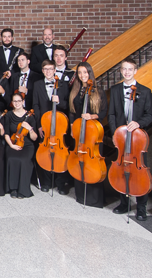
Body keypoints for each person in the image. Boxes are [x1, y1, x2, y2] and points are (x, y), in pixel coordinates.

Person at [109, 58, 152, 220]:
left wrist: (139, 123)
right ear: (121, 71)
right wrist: (116, 134)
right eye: (124, 69)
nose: (127, 72)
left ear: (135, 71)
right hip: (121, 140)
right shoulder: (115, 90)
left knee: (140, 174)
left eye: (130, 69)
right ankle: (123, 203)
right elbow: (112, 114)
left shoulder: (145, 91)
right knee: (122, 171)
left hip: (138, 142)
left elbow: (150, 116)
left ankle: (141, 207)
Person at [67, 62, 108, 208]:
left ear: (90, 73)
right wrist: (72, 126)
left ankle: (95, 199)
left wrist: (92, 116)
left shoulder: (99, 92)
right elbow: (72, 111)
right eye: (79, 73)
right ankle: (80, 195)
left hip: (93, 133)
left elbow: (103, 113)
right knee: (79, 161)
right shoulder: (75, 91)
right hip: (79, 132)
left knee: (93, 163)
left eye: (85, 72)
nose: (82, 75)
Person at [32, 60, 70, 193]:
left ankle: (60, 183)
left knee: (61, 154)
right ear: (42, 71)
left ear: (55, 70)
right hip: (44, 125)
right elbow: (35, 105)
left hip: (59, 125)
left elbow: (67, 106)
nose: (48, 72)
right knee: (45, 152)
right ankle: (46, 182)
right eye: (45, 69)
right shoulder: (37, 85)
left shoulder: (63, 85)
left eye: (50, 69)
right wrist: (39, 125)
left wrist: (59, 101)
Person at [4, 92, 38, 198]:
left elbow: (34, 137)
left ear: (23, 102)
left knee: (23, 160)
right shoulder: (9, 115)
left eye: (19, 101)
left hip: (27, 145)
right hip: (13, 143)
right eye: (15, 101)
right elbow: (6, 133)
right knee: (11, 158)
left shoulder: (30, 116)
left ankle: (23, 189)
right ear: (12, 103)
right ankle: (13, 188)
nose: (17, 103)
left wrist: (30, 129)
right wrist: (11, 145)